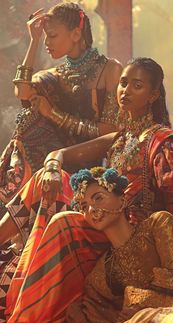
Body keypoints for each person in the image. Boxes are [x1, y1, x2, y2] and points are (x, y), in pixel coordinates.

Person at [0, 57, 173, 323]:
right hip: (103, 221)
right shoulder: (121, 137)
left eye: (137, 86)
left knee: (63, 223)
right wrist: (52, 167)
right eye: (123, 83)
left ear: (153, 95)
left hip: (131, 235)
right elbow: (59, 154)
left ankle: (28, 316)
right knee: (45, 177)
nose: (126, 91)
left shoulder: (162, 139)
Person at [0, 167, 173, 323]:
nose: (92, 210)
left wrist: (131, 303)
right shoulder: (101, 272)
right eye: (83, 206)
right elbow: (97, 318)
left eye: (98, 198)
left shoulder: (157, 225)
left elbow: (172, 285)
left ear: (121, 198)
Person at [0, 2, 122, 215]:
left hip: (90, 164)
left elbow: (111, 131)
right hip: (51, 166)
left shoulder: (109, 69)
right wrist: (34, 40)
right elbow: (22, 92)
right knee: (28, 120)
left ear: (76, 34)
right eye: (45, 37)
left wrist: (53, 114)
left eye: (52, 36)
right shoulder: (53, 76)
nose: (47, 42)